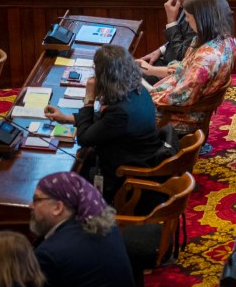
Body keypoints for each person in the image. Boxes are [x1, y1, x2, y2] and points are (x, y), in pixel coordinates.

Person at [44, 45, 164, 203]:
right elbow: (105, 121)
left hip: (125, 179)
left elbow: (85, 138)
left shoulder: (121, 112)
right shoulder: (137, 90)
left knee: (68, 179)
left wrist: (89, 98)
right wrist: (67, 118)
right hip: (139, 156)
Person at [30, 171, 137, 287]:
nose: (31, 206)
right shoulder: (109, 225)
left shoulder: (49, 254)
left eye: (36, 200)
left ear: (58, 207)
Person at [146, 0, 236, 133]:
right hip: (177, 99)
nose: (187, 20)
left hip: (182, 117)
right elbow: (184, 68)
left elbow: (182, 97)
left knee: (122, 114)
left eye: (188, 16)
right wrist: (149, 70)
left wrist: (147, 98)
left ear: (200, 18)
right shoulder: (222, 39)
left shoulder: (206, 58)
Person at [136, 0, 233, 84]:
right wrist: (161, 50)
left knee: (126, 81)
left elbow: (182, 57)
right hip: (177, 63)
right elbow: (184, 36)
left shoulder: (207, 12)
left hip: (184, 75)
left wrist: (171, 21)